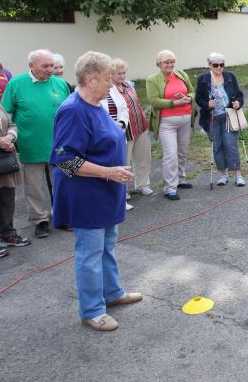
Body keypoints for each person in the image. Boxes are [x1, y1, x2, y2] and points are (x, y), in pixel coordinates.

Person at [50, 51, 141, 332]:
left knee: (107, 245)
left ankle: (112, 293)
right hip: (86, 194)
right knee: (89, 254)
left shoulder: (96, 103)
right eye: (107, 79)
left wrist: (112, 173)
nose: (111, 84)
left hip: (105, 191)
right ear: (90, 80)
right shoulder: (73, 110)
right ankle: (91, 311)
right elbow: (65, 160)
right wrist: (108, 172)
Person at [0, 49, 70, 238]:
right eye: (45, 66)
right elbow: (6, 115)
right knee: (34, 186)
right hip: (30, 145)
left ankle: (63, 216)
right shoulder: (16, 84)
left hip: (60, 145)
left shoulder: (60, 83)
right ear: (31, 65)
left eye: (52, 65)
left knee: (61, 182)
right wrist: (8, 138)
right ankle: (40, 221)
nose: (50, 69)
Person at [146, 50, 195, 200]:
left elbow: (192, 92)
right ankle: (170, 188)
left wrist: (188, 98)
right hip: (167, 122)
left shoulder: (182, 75)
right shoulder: (152, 79)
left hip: (185, 119)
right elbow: (153, 101)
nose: (170, 65)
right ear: (159, 64)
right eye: (166, 62)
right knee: (171, 154)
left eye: (172, 62)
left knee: (182, 152)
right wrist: (174, 103)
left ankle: (181, 179)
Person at [195, 53, 246, 188]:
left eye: (221, 64)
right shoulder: (203, 79)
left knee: (230, 144)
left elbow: (239, 95)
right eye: (215, 65)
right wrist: (207, 104)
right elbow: (198, 98)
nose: (219, 67)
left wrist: (238, 103)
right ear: (209, 65)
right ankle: (223, 175)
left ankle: (238, 175)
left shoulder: (230, 76)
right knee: (217, 146)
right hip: (212, 118)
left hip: (229, 116)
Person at [106, 59, 153, 197]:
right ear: (111, 74)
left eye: (123, 73)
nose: (122, 76)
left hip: (140, 126)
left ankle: (143, 185)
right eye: (119, 73)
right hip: (124, 131)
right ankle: (123, 191)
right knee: (124, 162)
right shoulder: (109, 89)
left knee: (143, 158)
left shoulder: (128, 85)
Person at [0, 97, 28, 259]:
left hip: (5, 160)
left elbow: (11, 124)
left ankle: (8, 234)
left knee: (7, 199)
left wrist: (10, 137)